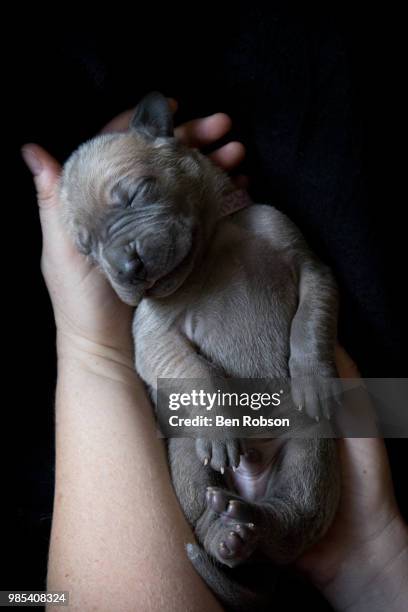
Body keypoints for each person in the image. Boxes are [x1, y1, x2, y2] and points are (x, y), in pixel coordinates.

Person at [22, 106, 408, 612]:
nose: (124, 260)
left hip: (308, 436)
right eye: (95, 250)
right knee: (188, 432)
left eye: (135, 197)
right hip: (224, 446)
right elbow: (158, 353)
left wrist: (309, 351)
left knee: (316, 434)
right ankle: (222, 532)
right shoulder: (157, 307)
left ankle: (277, 526)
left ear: (173, 151)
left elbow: (314, 277)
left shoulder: (263, 226)